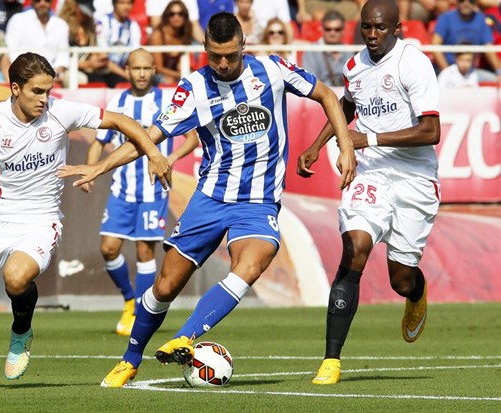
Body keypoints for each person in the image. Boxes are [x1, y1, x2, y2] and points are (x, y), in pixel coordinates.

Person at [58, 11, 356, 388]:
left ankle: (186, 336)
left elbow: (328, 94)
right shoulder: (194, 88)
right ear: (205, 50)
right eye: (215, 56)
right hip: (210, 198)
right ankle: (130, 360)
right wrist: (101, 166)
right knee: (165, 286)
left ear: (244, 46)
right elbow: (150, 135)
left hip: (258, 201)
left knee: (253, 262)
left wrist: (345, 145)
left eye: (231, 55)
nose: (224, 63)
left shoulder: (274, 69)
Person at [0, 52, 171, 390]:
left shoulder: (60, 111)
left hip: (41, 219)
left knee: (16, 278)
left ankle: (21, 334)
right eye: (37, 92)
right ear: (15, 88)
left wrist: (154, 152)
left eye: (48, 91)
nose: (45, 99)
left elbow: (121, 120)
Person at [297, 0, 441, 385]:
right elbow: (346, 106)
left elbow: (431, 132)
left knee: (400, 278)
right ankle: (331, 360)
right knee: (355, 248)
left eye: (380, 28)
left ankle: (416, 292)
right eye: (366, 28)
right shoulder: (354, 65)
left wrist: (370, 136)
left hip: (414, 176)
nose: (372, 35)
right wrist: (316, 144)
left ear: (397, 28)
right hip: (371, 170)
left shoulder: (414, 63)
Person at [87, 48, 199, 336]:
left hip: (153, 190)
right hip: (122, 187)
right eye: (136, 68)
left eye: (147, 68)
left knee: (143, 250)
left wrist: (170, 159)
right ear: (127, 70)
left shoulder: (166, 100)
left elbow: (191, 138)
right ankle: (129, 300)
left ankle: (138, 311)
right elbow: (100, 140)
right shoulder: (118, 101)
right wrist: (91, 170)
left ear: (154, 70)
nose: (141, 73)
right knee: (108, 248)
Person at [431, 0, 501, 83]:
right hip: (448, 69)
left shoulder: (480, 19)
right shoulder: (446, 18)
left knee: (495, 80)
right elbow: (435, 45)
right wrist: (448, 72)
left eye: (471, 1)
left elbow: (489, 49)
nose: (466, 3)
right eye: (462, 0)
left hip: (471, 72)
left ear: (475, 3)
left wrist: (499, 71)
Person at [5, 0, 70, 85]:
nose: (42, 3)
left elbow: (63, 57)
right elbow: (12, 53)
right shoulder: (17, 20)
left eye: (46, 0)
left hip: (53, 76)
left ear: (51, 2)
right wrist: (31, 73)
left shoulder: (61, 24)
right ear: (32, 1)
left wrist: (52, 74)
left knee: (75, 79)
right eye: (38, 0)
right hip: (24, 74)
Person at [92, 0, 142, 87]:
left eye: (129, 3)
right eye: (122, 3)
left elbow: (136, 54)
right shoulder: (102, 22)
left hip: (119, 71)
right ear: (114, 4)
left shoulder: (133, 26)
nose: (126, 7)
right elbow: (103, 58)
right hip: (99, 71)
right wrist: (127, 76)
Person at [148, 0, 194, 85]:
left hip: (174, 74)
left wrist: (184, 73)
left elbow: (180, 65)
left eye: (180, 14)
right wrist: (182, 75)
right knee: (167, 81)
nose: (176, 17)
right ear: (166, 16)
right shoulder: (158, 35)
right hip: (155, 75)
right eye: (172, 14)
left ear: (185, 16)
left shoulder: (185, 34)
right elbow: (158, 68)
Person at [302, 10, 352, 86]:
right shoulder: (312, 51)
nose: (332, 33)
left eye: (337, 29)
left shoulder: (349, 51)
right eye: (328, 29)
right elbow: (309, 84)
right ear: (322, 29)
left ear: (343, 30)